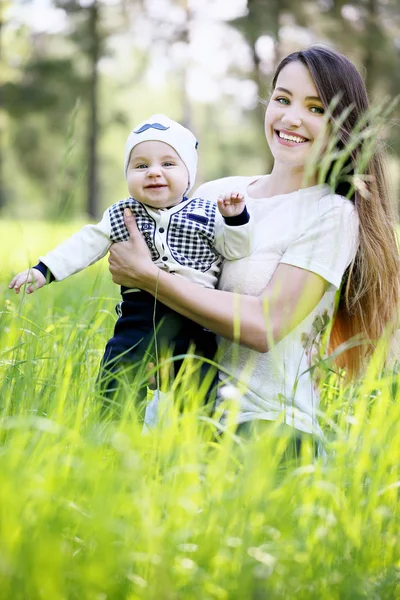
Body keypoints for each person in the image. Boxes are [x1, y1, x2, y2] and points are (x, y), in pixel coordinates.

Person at [106, 46, 400, 448]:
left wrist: (149, 276)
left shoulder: (331, 214)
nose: (291, 118)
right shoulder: (214, 194)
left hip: (266, 430)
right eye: (282, 99)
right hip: (173, 425)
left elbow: (267, 324)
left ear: (341, 125)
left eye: (315, 108)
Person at [9, 114, 252, 417]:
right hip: (139, 315)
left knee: (196, 391)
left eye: (168, 164)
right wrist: (43, 270)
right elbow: (85, 243)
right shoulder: (122, 212)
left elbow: (236, 249)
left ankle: (193, 449)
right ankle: (111, 439)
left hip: (195, 316)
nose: (153, 172)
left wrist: (235, 218)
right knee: (118, 376)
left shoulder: (207, 211)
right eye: (141, 166)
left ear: (188, 174)